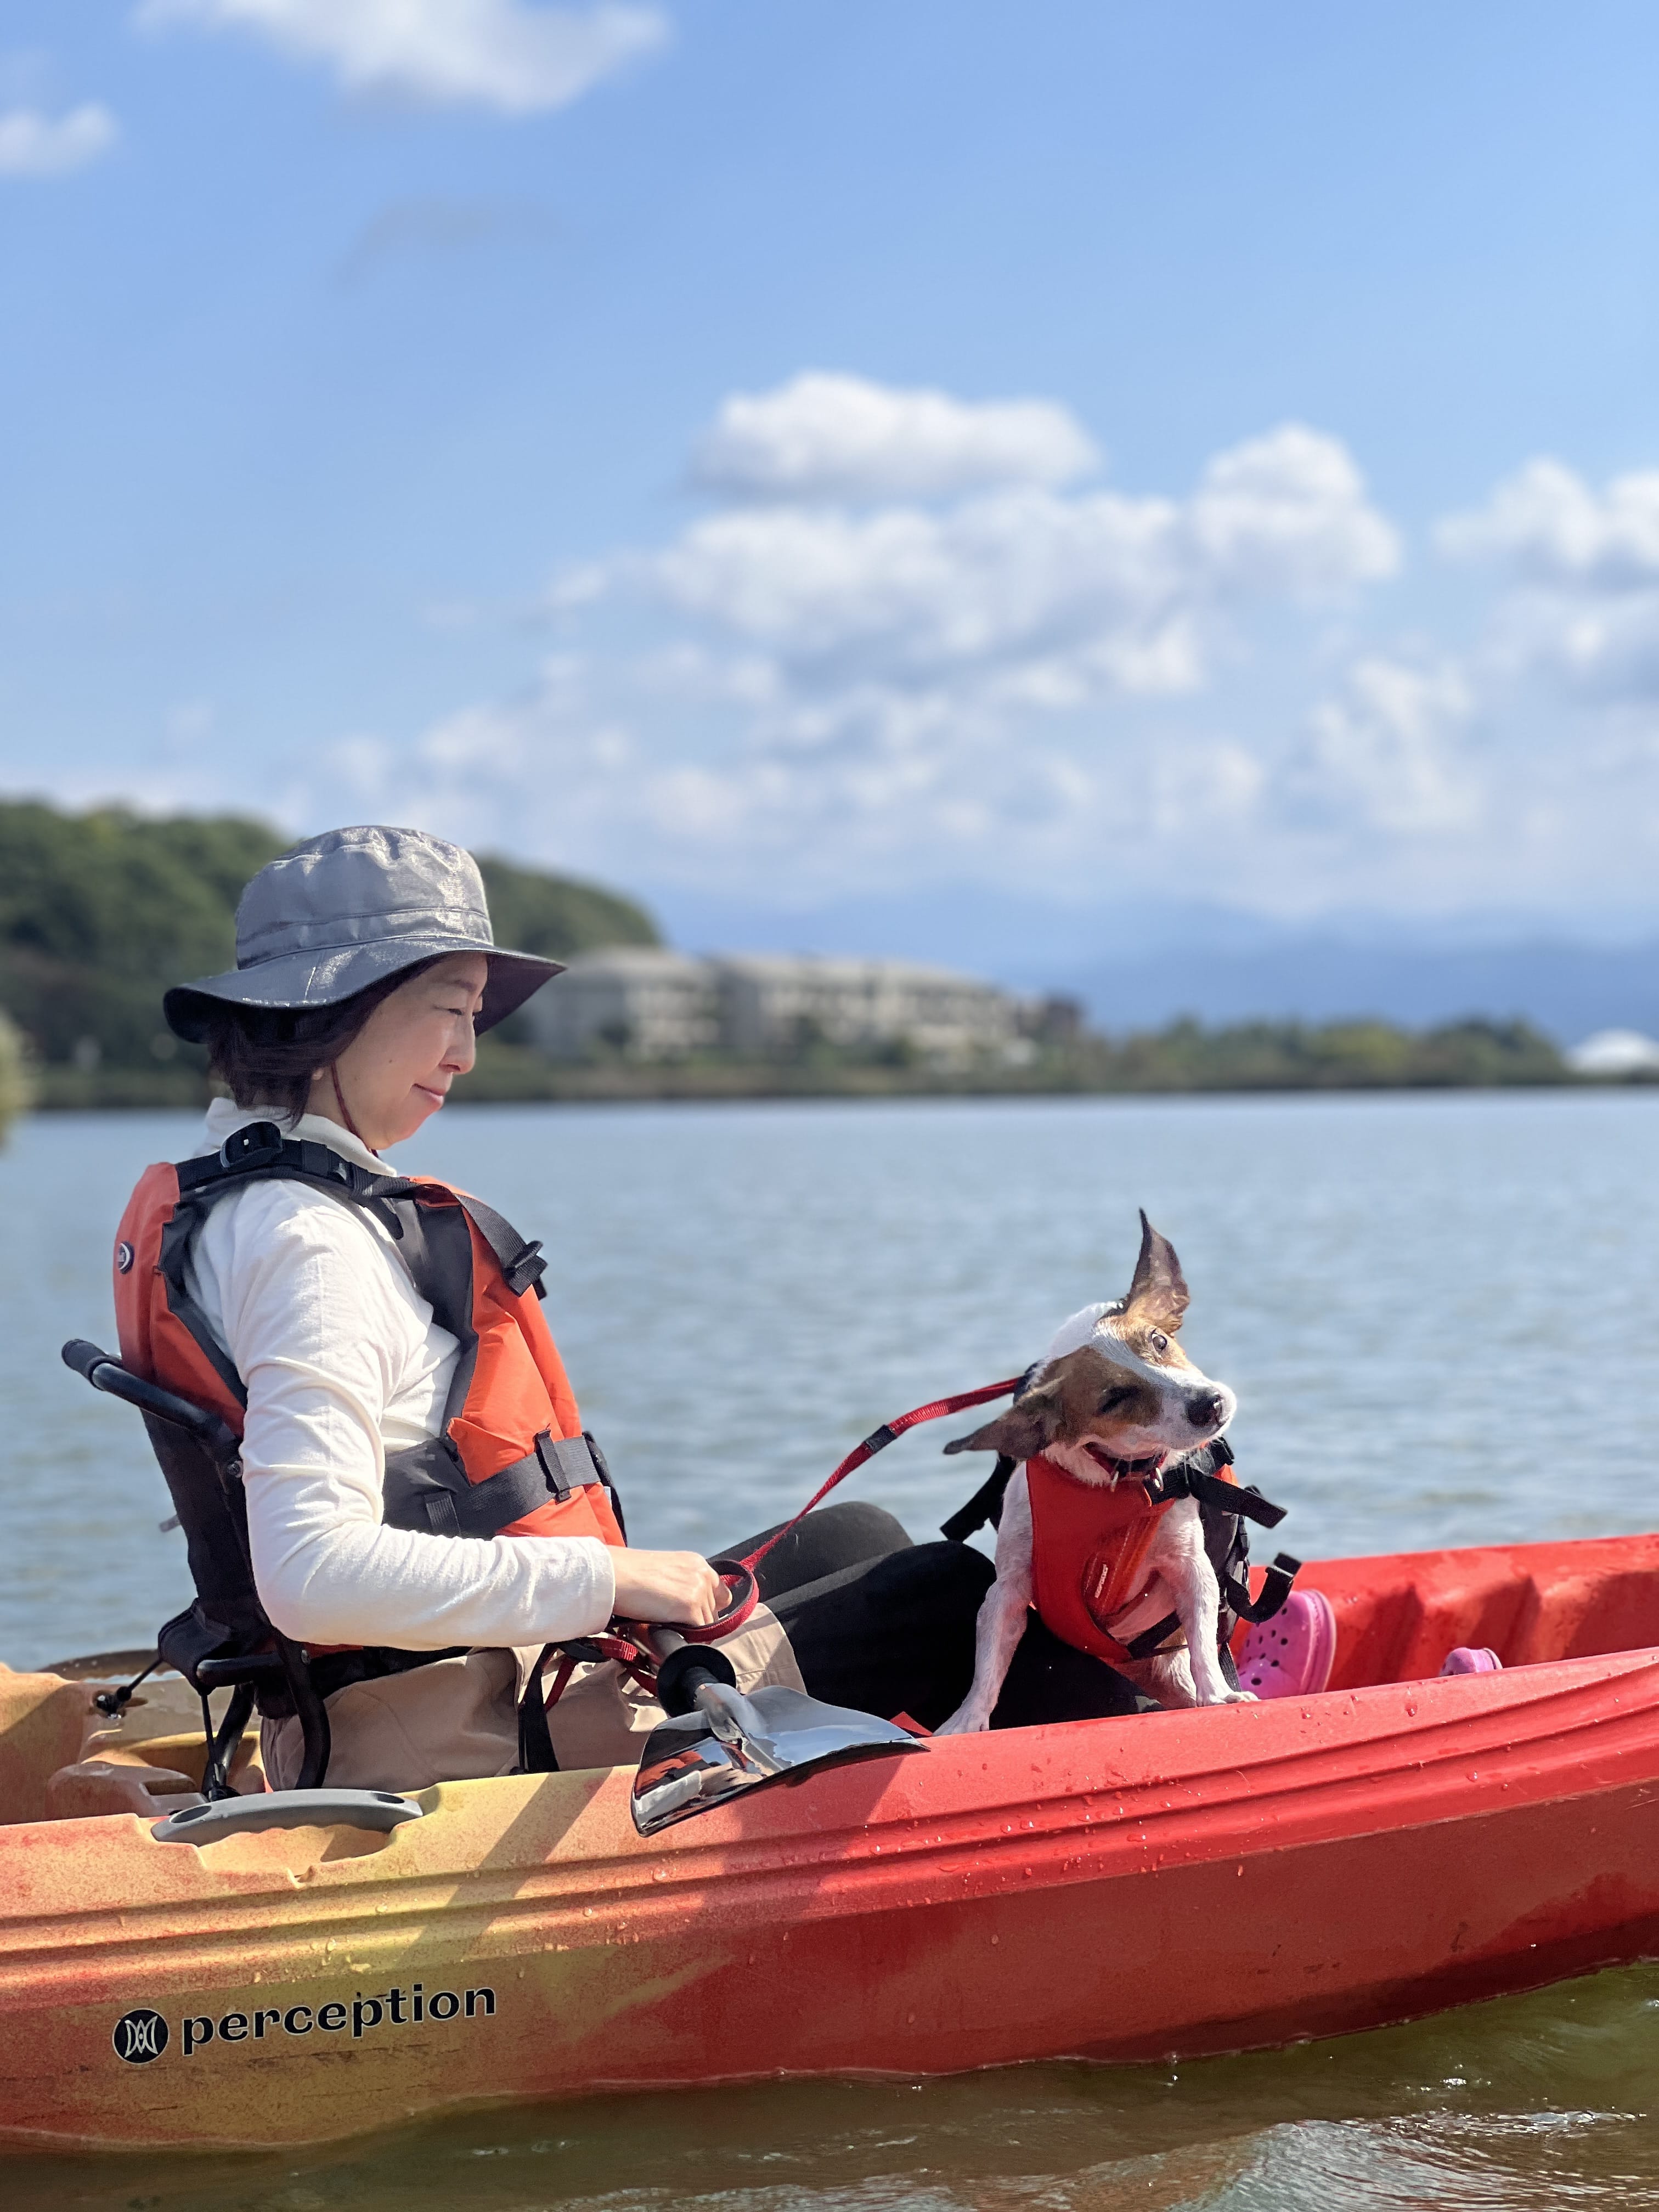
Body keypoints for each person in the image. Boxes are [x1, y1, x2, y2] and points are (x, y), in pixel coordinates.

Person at [123, 825, 991, 1790]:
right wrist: (612, 1579)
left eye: (475, 1018)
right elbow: (313, 1578)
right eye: (448, 1010)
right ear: (334, 1009)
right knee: (950, 1599)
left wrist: (613, 1590)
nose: (466, 1054)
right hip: (451, 1738)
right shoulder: (309, 1243)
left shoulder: (249, 1196)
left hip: (447, 1681)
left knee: (857, 1538)